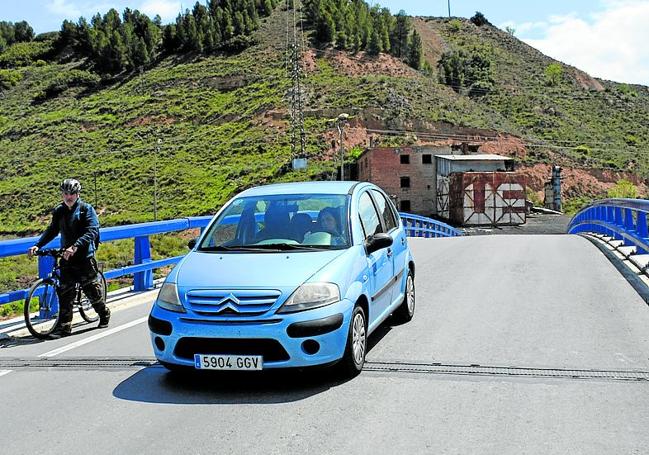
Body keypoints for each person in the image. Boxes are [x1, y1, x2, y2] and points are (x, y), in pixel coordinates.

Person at [28, 178, 110, 338]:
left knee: (91, 290)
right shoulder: (59, 211)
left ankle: (104, 313)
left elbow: (92, 231)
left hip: (84, 257)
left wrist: (76, 246)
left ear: (77, 194)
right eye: (66, 193)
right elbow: (52, 230)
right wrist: (38, 245)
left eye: (72, 193)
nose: (68, 197)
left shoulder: (86, 210)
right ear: (62, 195)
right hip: (67, 256)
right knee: (65, 291)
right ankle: (64, 327)